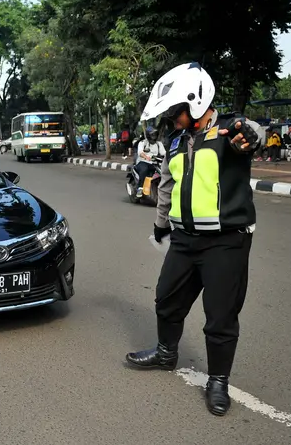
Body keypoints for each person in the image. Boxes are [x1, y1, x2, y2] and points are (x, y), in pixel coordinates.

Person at [125, 62, 262, 417]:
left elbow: (252, 134)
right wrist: (160, 224)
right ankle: (166, 353)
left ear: (197, 103)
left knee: (220, 316)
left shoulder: (230, 129)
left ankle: (218, 380)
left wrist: (249, 135)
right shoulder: (176, 142)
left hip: (226, 241)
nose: (172, 119)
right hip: (184, 239)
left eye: (176, 111)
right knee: (166, 298)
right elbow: (168, 187)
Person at [133, 126, 166, 197]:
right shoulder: (143, 143)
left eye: (155, 134)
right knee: (144, 170)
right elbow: (140, 152)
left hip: (155, 163)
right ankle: (140, 188)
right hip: (143, 162)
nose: (154, 136)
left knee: (164, 171)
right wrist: (146, 157)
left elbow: (164, 153)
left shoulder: (159, 144)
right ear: (148, 135)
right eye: (152, 135)